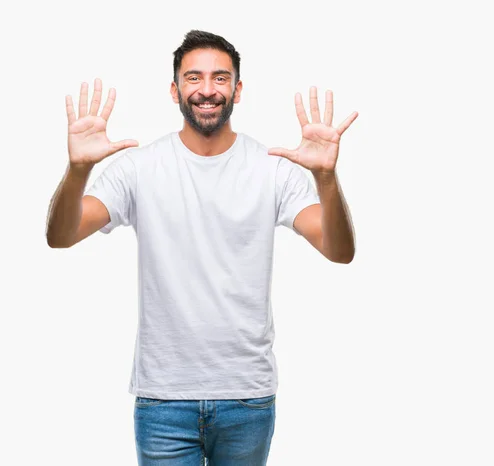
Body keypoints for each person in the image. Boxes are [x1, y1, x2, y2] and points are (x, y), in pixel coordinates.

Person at [45, 29, 358, 466]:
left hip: (246, 398)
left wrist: (326, 177)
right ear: (175, 90)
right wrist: (77, 170)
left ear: (238, 89)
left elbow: (339, 250)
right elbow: (61, 236)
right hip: (164, 400)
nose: (207, 90)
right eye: (193, 78)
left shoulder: (273, 170)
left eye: (220, 78)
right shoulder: (140, 167)